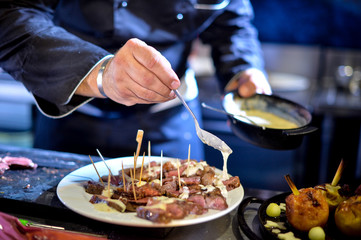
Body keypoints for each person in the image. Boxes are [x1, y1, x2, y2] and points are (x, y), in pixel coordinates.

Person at [0, 0, 271, 160]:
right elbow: (13, 14)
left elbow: (231, 20)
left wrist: (245, 69)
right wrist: (101, 72)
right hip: (71, 110)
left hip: (171, 118)